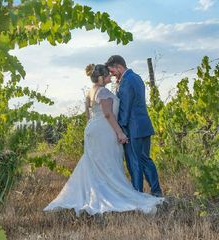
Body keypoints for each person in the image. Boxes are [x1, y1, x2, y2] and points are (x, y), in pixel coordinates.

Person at [43, 64, 164, 216]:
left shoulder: (90, 91)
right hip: (105, 130)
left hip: (93, 129)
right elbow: (108, 114)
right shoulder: (104, 91)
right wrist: (119, 132)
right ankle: (110, 195)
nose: (110, 78)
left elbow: (88, 114)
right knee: (108, 164)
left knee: (96, 164)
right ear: (101, 78)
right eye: (108, 76)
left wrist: (92, 126)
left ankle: (96, 194)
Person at [105, 55, 163, 197]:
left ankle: (137, 194)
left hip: (132, 128)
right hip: (143, 125)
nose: (111, 75)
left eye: (112, 71)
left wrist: (120, 129)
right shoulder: (136, 77)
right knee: (144, 159)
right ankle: (156, 191)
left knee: (134, 162)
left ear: (119, 67)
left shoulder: (126, 81)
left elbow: (125, 108)